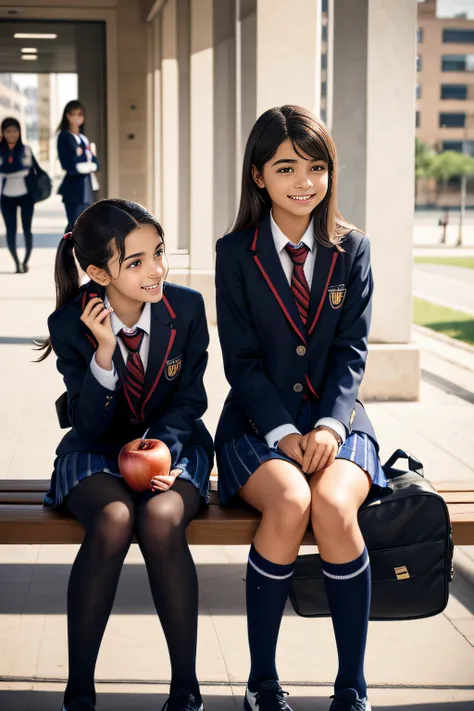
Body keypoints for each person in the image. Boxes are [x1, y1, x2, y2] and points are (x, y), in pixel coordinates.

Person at [215, 105, 387, 711]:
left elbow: (352, 350)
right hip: (257, 424)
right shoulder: (236, 253)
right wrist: (285, 432)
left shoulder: (353, 248)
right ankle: (262, 682)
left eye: (316, 167)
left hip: (338, 419)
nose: (304, 182)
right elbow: (240, 359)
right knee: (290, 501)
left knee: (335, 506)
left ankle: (352, 686)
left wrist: (332, 426)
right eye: (286, 167)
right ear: (258, 175)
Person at [38, 199, 213, 711]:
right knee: (114, 519)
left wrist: (163, 453)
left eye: (158, 253)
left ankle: (186, 689)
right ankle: (80, 692)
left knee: (160, 519)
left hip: (175, 444)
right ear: (96, 272)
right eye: (135, 262)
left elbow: (190, 401)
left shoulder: (188, 308)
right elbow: (88, 423)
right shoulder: (71, 323)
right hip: (94, 450)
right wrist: (105, 354)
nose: (155, 269)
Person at [57, 100, 99, 233]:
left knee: (85, 225)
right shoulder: (64, 137)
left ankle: (78, 253)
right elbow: (70, 165)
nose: (77, 118)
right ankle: (67, 253)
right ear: (67, 116)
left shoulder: (82, 138)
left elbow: (95, 163)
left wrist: (87, 161)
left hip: (87, 187)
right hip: (74, 188)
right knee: (74, 226)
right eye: (73, 114)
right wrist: (85, 161)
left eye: (80, 114)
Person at [0, 117, 36, 273]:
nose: (11, 134)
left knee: (27, 229)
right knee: (11, 230)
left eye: (15, 130)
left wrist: (7, 171)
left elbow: (26, 169)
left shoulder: (25, 149)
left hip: (26, 195)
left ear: (20, 132)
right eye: (8, 131)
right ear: (3, 132)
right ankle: (16, 262)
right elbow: (18, 169)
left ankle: (26, 261)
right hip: (6, 197)